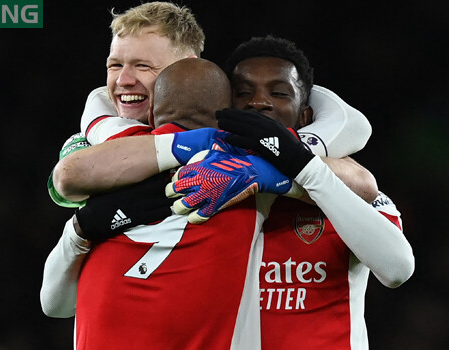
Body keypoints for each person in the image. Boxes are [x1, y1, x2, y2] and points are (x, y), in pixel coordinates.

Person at [167, 35, 414, 349]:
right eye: (244, 92)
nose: (259, 102)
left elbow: (398, 269)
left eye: (279, 92)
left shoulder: (344, 187)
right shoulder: (208, 188)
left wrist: (300, 167)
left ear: (305, 115)